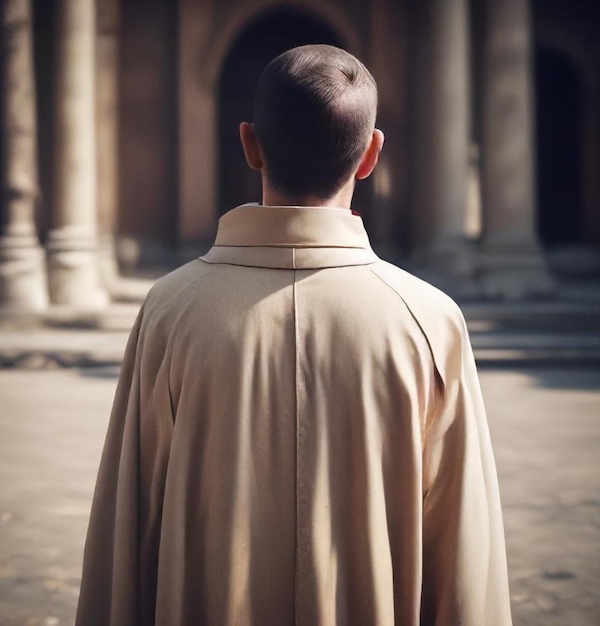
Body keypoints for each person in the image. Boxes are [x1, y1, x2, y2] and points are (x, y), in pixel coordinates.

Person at [76, 44, 512, 625]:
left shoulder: (169, 311)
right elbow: (463, 553)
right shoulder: (429, 321)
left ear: (250, 144)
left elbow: (125, 533)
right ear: (370, 153)